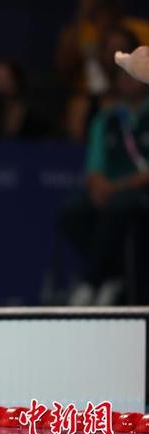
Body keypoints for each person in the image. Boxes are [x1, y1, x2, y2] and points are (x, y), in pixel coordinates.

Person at [59, 50, 149, 306]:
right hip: (111, 191)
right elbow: (95, 164)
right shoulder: (106, 118)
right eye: (123, 76)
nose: (129, 80)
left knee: (118, 206)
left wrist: (118, 188)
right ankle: (113, 275)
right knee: (73, 212)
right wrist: (98, 185)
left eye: (134, 74)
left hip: (140, 190)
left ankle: (93, 280)